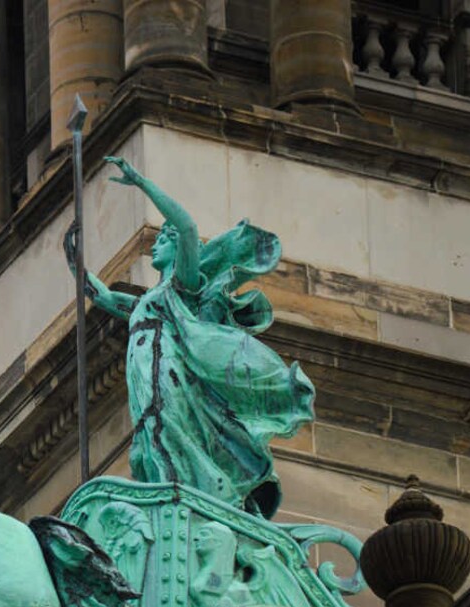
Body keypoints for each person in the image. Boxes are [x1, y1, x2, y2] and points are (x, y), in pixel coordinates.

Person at [66, 158, 314, 518]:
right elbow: (102, 296)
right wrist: (74, 258)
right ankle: (173, 501)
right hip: (144, 372)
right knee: (150, 437)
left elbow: (186, 226)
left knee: (167, 428)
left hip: (166, 371)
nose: (156, 245)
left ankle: (189, 505)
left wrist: (140, 182)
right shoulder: (149, 301)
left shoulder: (183, 286)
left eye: (162, 240)